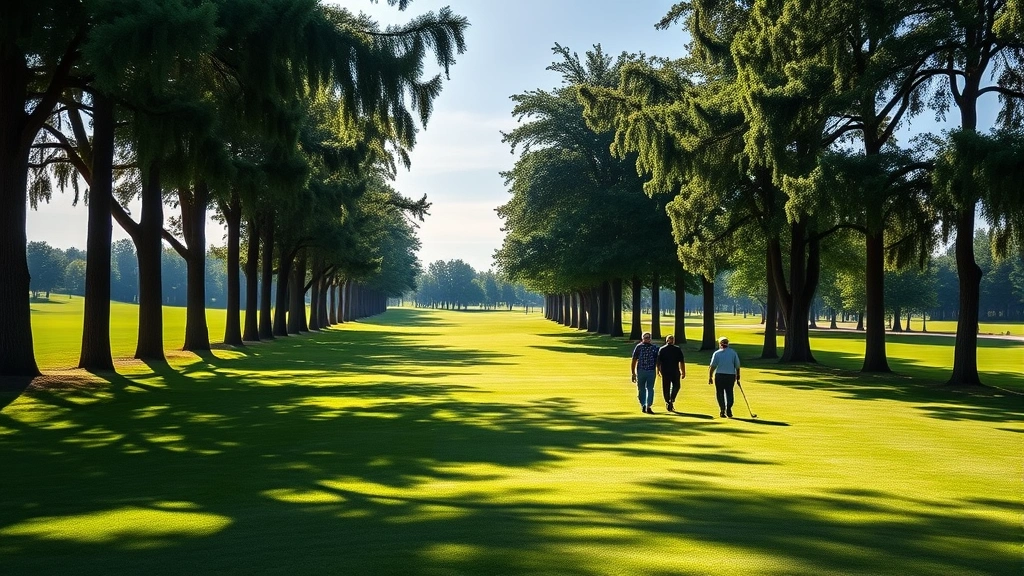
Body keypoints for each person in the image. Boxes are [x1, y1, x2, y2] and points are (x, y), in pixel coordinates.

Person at [708, 336, 741, 418]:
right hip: (730, 375)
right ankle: (728, 408)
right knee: (729, 392)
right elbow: (737, 366)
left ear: (720, 344)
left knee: (720, 393)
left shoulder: (717, 353)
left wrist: (710, 376)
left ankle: (722, 409)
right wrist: (738, 376)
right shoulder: (733, 353)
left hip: (719, 375)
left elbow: (712, 366)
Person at [631, 332, 659, 413]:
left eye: (648, 337)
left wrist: (659, 370)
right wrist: (633, 373)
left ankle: (648, 405)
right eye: (645, 337)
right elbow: (634, 360)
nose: (647, 339)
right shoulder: (639, 347)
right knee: (641, 389)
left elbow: (657, 360)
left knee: (650, 389)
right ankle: (643, 404)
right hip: (641, 371)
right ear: (642, 338)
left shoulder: (654, 348)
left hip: (651, 371)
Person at [657, 334, 685, 412]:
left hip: (670, 371)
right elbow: (658, 362)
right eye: (671, 339)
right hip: (670, 371)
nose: (672, 340)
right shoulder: (665, 349)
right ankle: (670, 400)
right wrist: (658, 370)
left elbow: (681, 361)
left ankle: (670, 400)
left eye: (672, 338)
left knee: (671, 387)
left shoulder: (674, 349)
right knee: (672, 386)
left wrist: (683, 371)